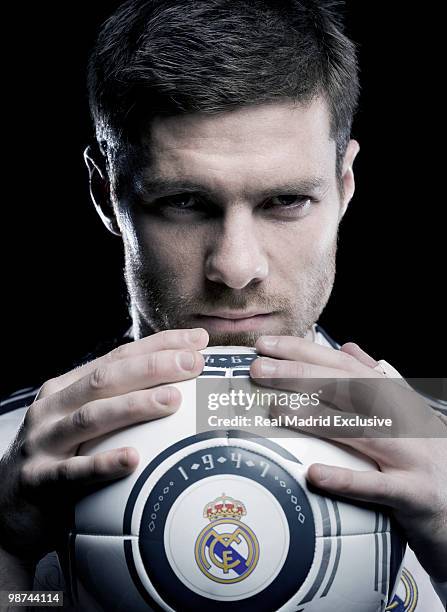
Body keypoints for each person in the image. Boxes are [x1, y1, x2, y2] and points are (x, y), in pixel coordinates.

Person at [1, 0, 445, 609]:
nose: (236, 269)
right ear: (106, 191)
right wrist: (7, 554)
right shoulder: (8, 459)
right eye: (185, 202)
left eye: (287, 200)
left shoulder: (441, 447)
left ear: (344, 185)